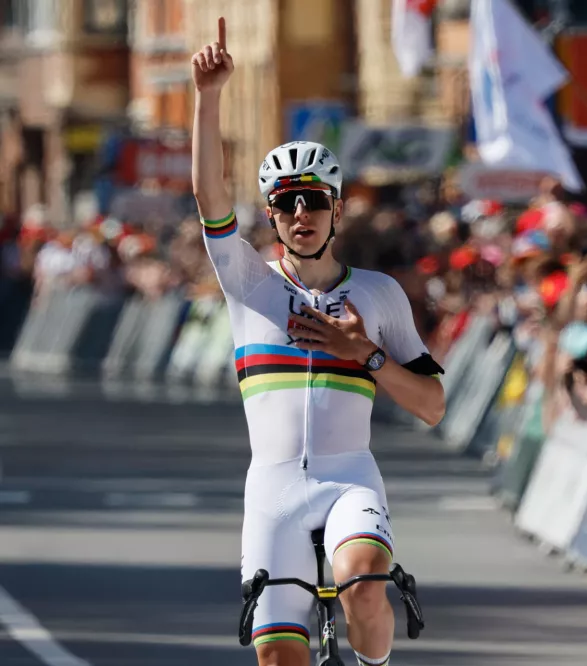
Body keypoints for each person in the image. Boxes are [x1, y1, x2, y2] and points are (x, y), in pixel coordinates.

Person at [190, 18, 445, 666]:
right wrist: (208, 95)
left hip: (348, 478)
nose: (301, 214)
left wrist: (368, 356)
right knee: (280, 657)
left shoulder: (380, 293)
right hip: (271, 489)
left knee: (364, 586)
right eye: (286, 204)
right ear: (271, 216)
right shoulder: (247, 282)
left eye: (314, 202)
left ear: (336, 209)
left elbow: (432, 405)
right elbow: (207, 198)